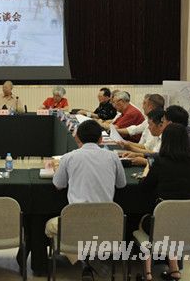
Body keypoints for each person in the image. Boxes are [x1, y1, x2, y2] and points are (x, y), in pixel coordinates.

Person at [45, 120, 126, 280]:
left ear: (78, 138)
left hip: (75, 223)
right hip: (107, 222)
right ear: (101, 139)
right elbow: (121, 184)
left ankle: (83, 259)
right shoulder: (112, 157)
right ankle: (89, 261)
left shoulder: (69, 157)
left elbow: (58, 185)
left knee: (49, 226)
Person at [138, 123, 190, 281]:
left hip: (161, 223)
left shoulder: (161, 162)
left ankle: (148, 272)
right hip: (187, 224)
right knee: (172, 224)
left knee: (145, 220)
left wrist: (146, 173)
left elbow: (145, 187)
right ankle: (174, 269)